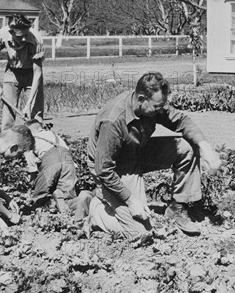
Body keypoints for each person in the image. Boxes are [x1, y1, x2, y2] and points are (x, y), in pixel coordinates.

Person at [86, 72, 222, 237]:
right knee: (139, 231)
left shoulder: (152, 105)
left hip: (136, 153)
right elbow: (104, 169)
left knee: (187, 148)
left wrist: (205, 147)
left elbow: (181, 120)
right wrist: (130, 200)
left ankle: (176, 209)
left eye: (161, 105)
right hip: (112, 169)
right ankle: (95, 210)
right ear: (141, 99)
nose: (160, 110)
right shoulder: (113, 121)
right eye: (157, 106)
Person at [24, 118, 92, 222]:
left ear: (29, 132)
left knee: (40, 197)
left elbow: (32, 169)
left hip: (50, 160)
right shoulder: (54, 135)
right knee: (68, 197)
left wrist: (34, 185)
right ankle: (80, 202)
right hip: (68, 161)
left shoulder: (31, 140)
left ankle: (39, 213)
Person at [0, 14, 45, 131]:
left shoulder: (36, 40)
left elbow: (37, 72)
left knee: (35, 114)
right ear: (11, 32)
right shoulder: (3, 34)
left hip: (32, 75)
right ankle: (7, 143)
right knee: (8, 115)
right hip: (12, 72)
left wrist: (28, 104)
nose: (24, 38)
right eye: (20, 36)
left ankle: (37, 140)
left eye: (26, 34)